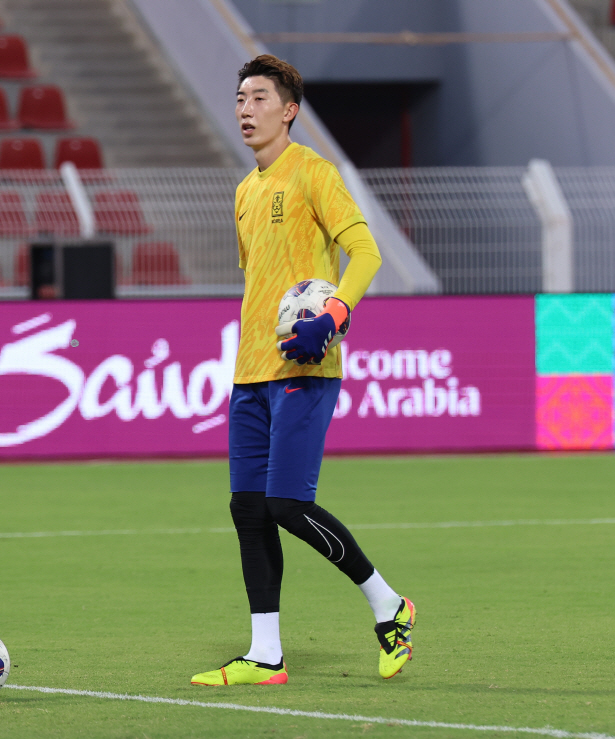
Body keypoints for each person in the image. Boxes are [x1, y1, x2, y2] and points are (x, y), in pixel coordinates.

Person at [190, 55, 415, 687]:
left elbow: (366, 252)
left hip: (306, 367)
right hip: (250, 372)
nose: (245, 109)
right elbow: (261, 283)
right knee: (248, 508)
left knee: (287, 501)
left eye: (259, 98)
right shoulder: (244, 190)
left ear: (288, 110)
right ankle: (266, 654)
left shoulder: (314, 172)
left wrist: (335, 313)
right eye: (239, 98)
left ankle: (389, 604)